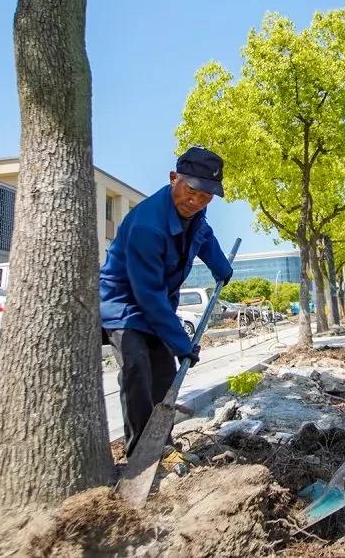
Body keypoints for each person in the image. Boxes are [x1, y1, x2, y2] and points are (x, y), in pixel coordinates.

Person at [100, 147, 233, 457]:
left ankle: (163, 444)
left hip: (157, 303)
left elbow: (204, 236)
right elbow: (147, 295)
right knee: (138, 371)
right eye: (192, 191)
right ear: (174, 178)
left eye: (206, 196)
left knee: (164, 375)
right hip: (124, 305)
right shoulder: (148, 224)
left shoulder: (195, 214)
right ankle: (139, 451)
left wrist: (221, 267)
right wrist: (181, 342)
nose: (196, 201)